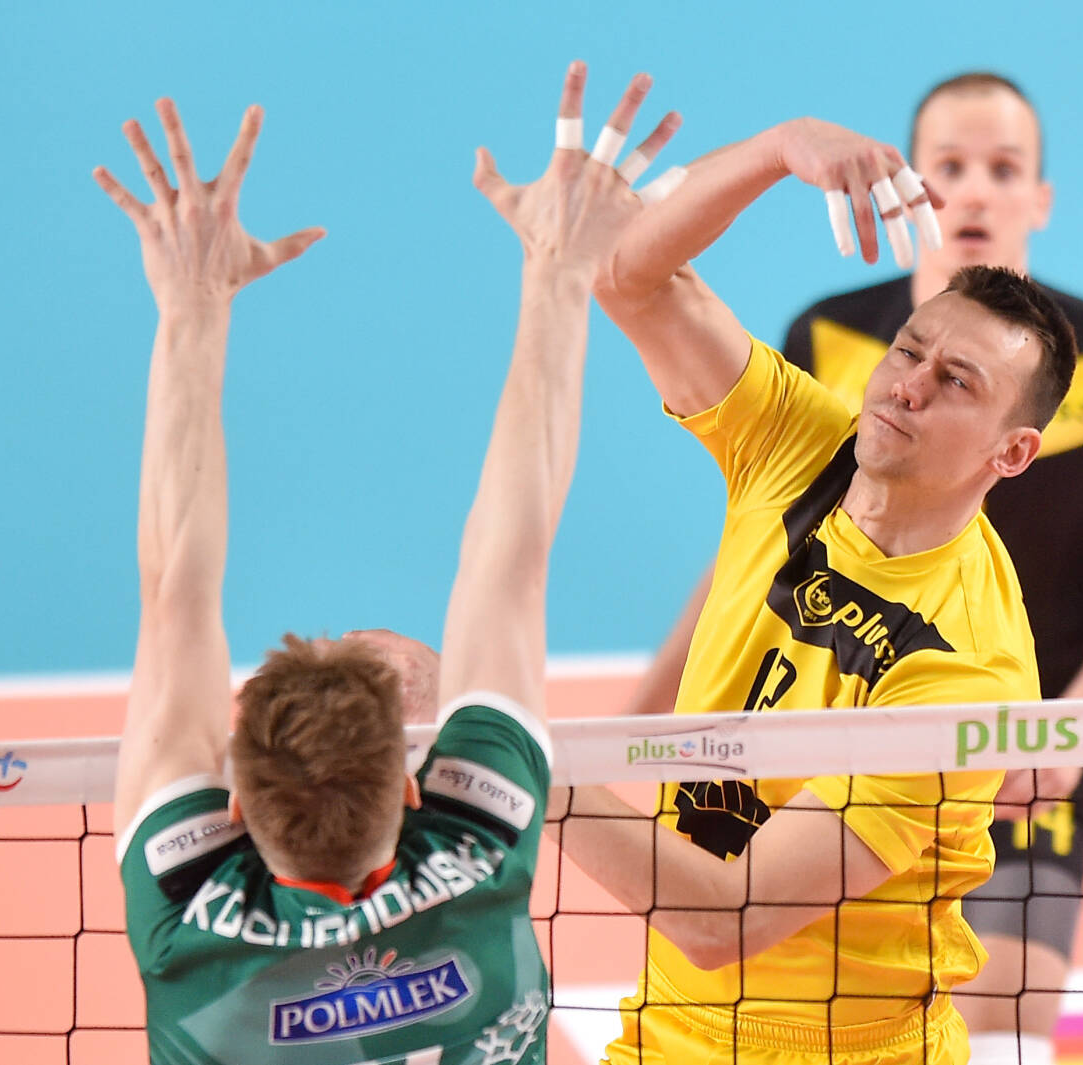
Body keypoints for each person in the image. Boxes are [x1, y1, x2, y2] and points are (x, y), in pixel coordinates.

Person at [626, 72, 1083, 1065]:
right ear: (906, 187)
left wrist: (1064, 733)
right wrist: (642, 713)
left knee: (1006, 1029)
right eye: (949, 167)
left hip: (1008, 741)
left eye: (1003, 169)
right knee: (754, 948)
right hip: (820, 734)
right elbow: (760, 543)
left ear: (1040, 199)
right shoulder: (834, 340)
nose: (974, 191)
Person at [101, 66, 678, 1065]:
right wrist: (559, 268)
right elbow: (510, 557)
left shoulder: (185, 927)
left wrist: (189, 310)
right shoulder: (479, 851)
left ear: (234, 806)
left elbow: (172, 592)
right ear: (412, 791)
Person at [549, 104, 1078, 1065]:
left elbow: (724, 917)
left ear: (1012, 452)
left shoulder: (968, 671)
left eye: (958, 381)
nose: (908, 385)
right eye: (910, 350)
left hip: (843, 1049)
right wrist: (777, 147)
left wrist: (517, 763)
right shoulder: (799, 447)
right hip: (668, 1030)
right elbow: (628, 277)